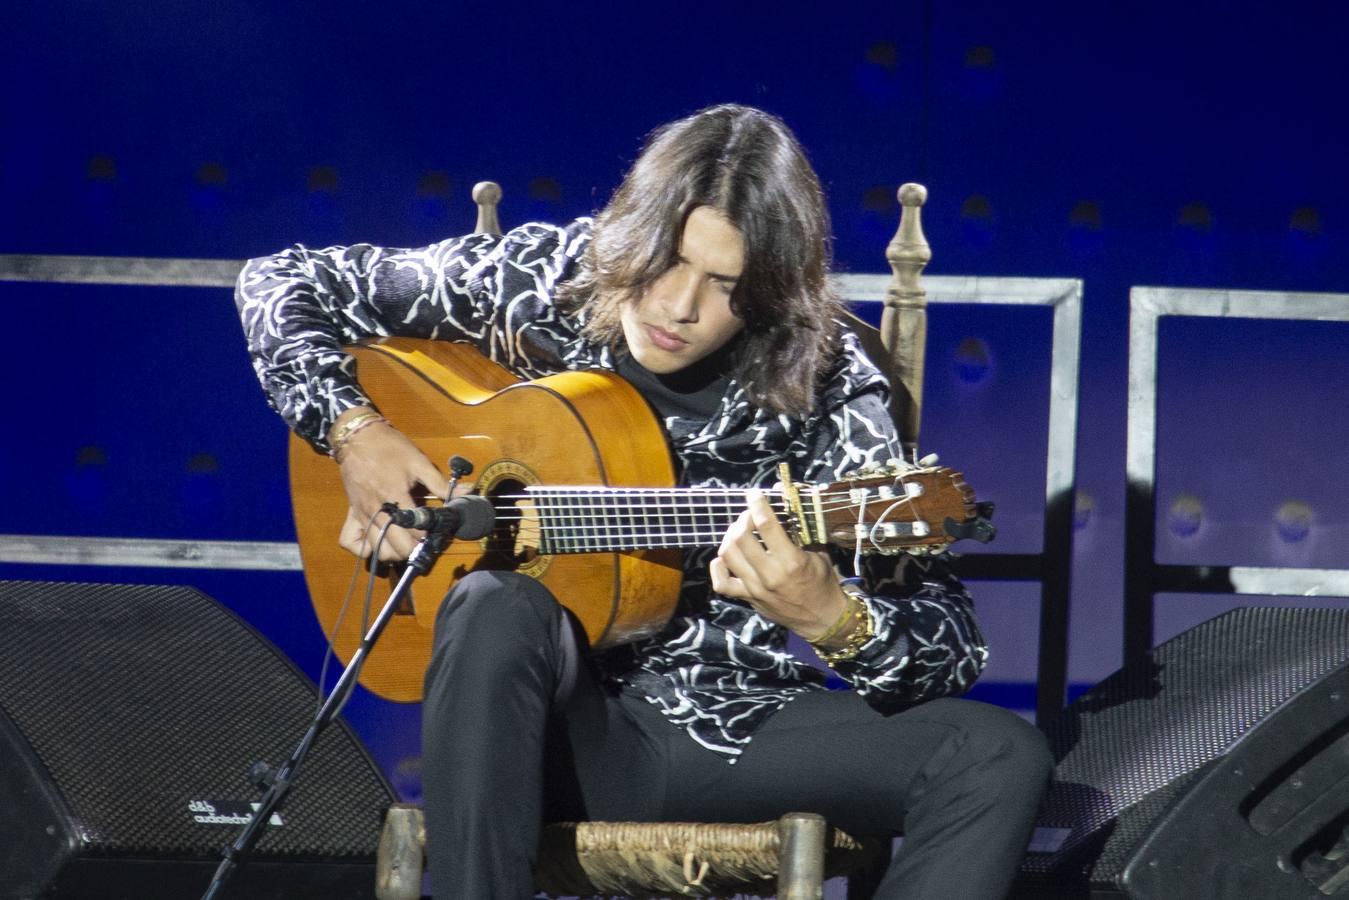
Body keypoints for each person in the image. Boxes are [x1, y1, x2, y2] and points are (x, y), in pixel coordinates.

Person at [236, 103, 1052, 899]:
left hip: (731, 734)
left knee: (997, 755)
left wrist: (831, 616)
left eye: (724, 285)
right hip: (533, 735)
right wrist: (354, 434)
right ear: (629, 232)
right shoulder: (539, 282)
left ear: (766, 293)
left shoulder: (827, 376)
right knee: (490, 601)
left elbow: (949, 648)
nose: (677, 306)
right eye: (666, 262)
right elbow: (279, 281)